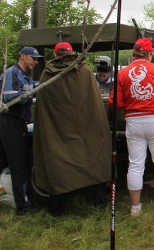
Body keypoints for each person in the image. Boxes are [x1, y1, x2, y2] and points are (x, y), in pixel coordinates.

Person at [33, 42, 111, 217]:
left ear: (56, 55)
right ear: (71, 53)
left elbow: (43, 106)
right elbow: (94, 101)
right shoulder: (84, 71)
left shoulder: (48, 74)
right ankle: (99, 201)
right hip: (86, 127)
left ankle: (57, 209)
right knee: (93, 159)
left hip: (57, 130)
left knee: (57, 163)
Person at [108, 38, 154, 221]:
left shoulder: (122, 73)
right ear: (149, 54)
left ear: (134, 53)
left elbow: (114, 103)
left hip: (133, 121)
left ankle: (135, 208)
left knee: (135, 165)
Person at [0, 46, 44, 216]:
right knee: (19, 164)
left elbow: (32, 86)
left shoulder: (25, 76)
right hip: (10, 122)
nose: (35, 62)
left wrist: (41, 85)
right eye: (33, 58)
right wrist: (30, 93)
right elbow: (9, 96)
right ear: (23, 56)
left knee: (1, 161)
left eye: (37, 59)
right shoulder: (13, 73)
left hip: (13, 122)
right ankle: (23, 207)